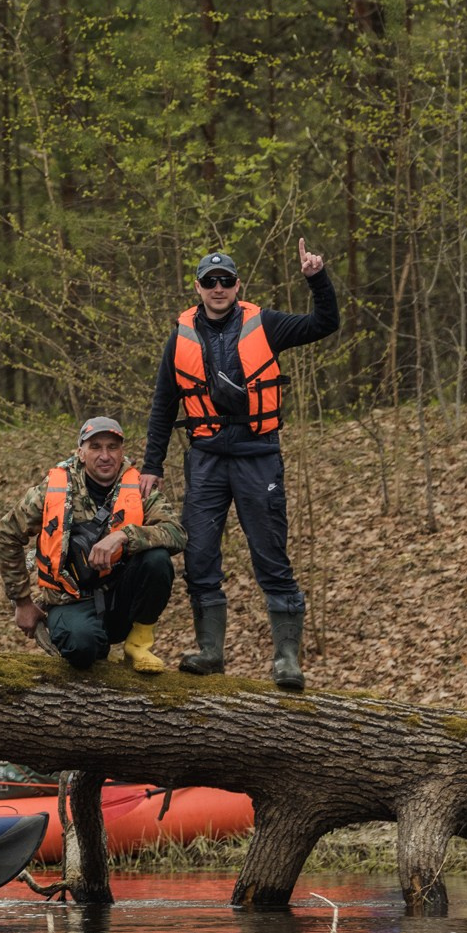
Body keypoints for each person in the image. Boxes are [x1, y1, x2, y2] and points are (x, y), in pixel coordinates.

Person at [141, 241, 339, 689]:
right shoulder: (180, 337)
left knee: (271, 555)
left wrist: (316, 278)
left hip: (258, 456)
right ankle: (211, 652)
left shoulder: (264, 323)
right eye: (209, 281)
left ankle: (286, 659)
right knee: (200, 555)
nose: (218, 288)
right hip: (207, 458)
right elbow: (162, 406)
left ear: (237, 285)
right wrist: (153, 464)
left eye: (225, 280)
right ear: (197, 286)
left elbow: (325, 323)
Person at [0, 414, 183, 673]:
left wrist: (124, 536)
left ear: (122, 451)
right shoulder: (52, 490)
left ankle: (138, 644)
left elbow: (176, 533)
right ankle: (92, 643)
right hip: (68, 599)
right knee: (83, 649)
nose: (105, 455)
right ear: (81, 453)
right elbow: (6, 534)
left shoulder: (141, 489)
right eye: (95, 447)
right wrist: (22, 601)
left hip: (121, 598)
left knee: (157, 559)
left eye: (112, 447)